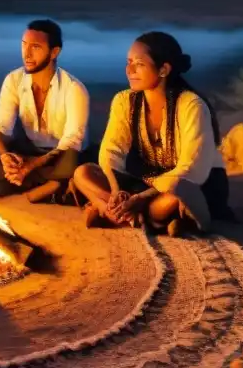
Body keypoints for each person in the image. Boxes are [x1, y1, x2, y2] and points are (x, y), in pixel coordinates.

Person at [70, 31, 233, 235]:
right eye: (128, 62)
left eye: (139, 64)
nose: (129, 70)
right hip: (148, 182)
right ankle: (119, 211)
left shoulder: (191, 105)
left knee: (175, 191)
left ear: (163, 69)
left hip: (190, 185)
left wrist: (140, 198)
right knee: (83, 173)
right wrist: (115, 191)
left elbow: (191, 169)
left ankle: (125, 214)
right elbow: (111, 152)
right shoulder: (124, 101)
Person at [0, 19, 91, 201]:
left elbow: (72, 140)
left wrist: (31, 166)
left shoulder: (74, 88)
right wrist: (4, 156)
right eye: (24, 45)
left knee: (72, 160)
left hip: (58, 156)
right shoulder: (14, 80)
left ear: (54, 52)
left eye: (36, 47)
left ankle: (10, 182)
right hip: (29, 153)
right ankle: (48, 185)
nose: (27, 53)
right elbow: (0, 125)